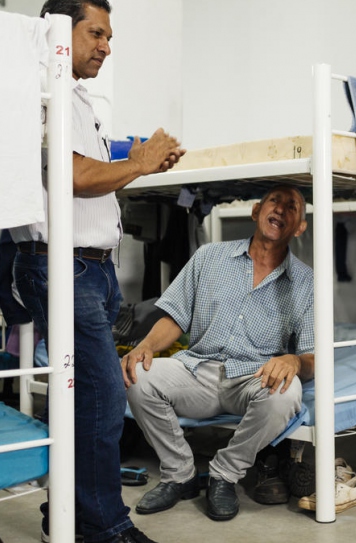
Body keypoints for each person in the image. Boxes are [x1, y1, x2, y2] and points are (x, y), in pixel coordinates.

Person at [10, 2, 186, 542]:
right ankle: (104, 528)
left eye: (110, 36)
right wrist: (138, 161)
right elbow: (71, 175)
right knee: (104, 400)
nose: (107, 46)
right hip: (62, 266)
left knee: (85, 402)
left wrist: (141, 161)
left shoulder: (76, 98)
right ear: (57, 29)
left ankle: (66, 516)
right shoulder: (40, 91)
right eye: (97, 33)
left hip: (91, 271)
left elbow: (89, 175)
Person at [123, 184, 315, 522]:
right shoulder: (209, 257)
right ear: (257, 211)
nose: (281, 210)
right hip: (198, 370)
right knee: (137, 375)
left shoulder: (306, 282)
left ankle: (224, 475)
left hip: (253, 377)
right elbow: (174, 317)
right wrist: (145, 346)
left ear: (300, 226)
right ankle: (179, 474)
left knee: (287, 395)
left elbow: (314, 358)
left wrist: (294, 360)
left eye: (292, 207)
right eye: (275, 201)